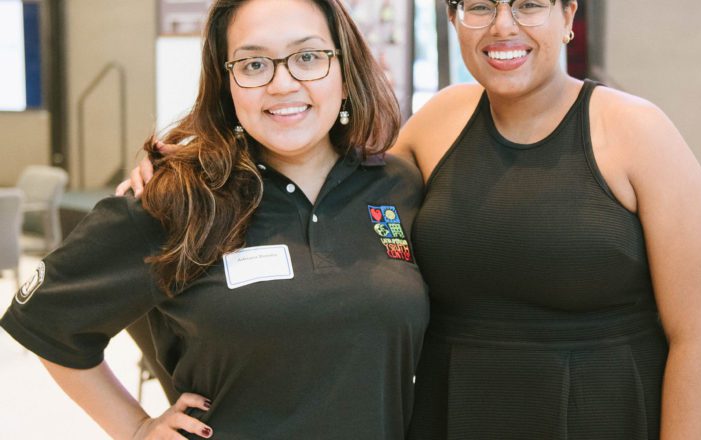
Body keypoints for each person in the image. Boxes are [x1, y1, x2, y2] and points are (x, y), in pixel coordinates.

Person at [121, 0, 701, 438]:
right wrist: (183, 167)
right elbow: (342, 180)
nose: (503, 25)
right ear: (455, 19)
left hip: (596, 412)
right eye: (479, 6)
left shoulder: (637, 131)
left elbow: (700, 332)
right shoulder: (439, 122)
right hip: (450, 413)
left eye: (528, 4)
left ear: (569, 16)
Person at [0, 0, 428, 438]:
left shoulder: (398, 186)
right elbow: (46, 316)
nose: (283, 84)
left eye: (308, 57)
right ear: (226, 85)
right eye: (254, 64)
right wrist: (136, 428)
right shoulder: (180, 198)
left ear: (344, 72)